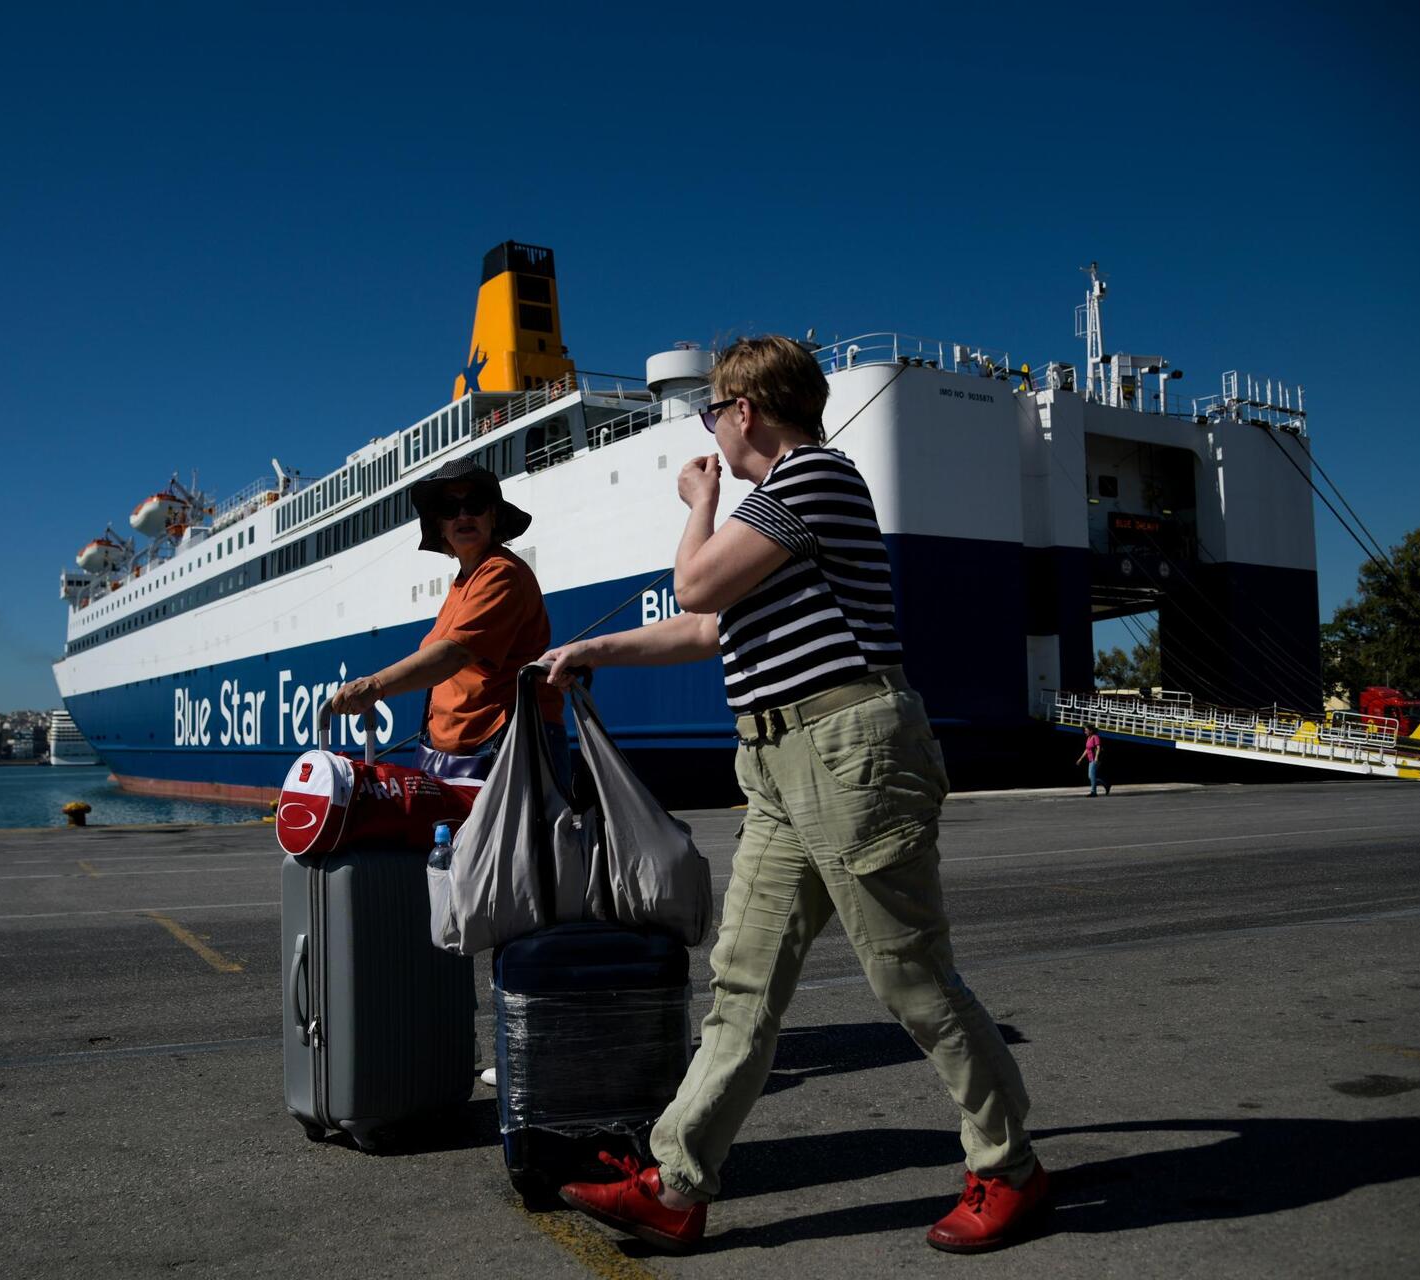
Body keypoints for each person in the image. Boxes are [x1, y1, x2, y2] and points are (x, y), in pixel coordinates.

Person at [539, 335, 1048, 1255]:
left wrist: (701, 502)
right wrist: (593, 651)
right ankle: (677, 1182)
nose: (709, 438)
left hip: (848, 746)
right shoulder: (782, 505)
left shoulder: (812, 477)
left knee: (910, 978)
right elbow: (704, 626)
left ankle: (1009, 1168)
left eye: (710, 416)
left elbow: (693, 579)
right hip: (777, 761)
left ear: (742, 412)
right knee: (745, 980)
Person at [329, 457, 567, 785]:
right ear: (439, 524)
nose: (464, 515)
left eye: (475, 505)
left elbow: (454, 654)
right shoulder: (463, 582)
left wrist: (376, 685)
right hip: (460, 754)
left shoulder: (500, 573)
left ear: (493, 515)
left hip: (503, 750)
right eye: (449, 508)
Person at [1078, 726, 1110, 796]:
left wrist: (1096, 757)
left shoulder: (1095, 737)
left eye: (1086, 730)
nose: (1085, 732)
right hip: (1090, 759)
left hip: (1095, 759)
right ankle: (1106, 785)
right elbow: (1087, 749)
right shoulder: (1088, 738)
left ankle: (1094, 792)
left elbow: (1098, 748)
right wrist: (1080, 758)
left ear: (1091, 731)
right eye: (1085, 731)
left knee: (1092, 776)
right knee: (1091, 777)